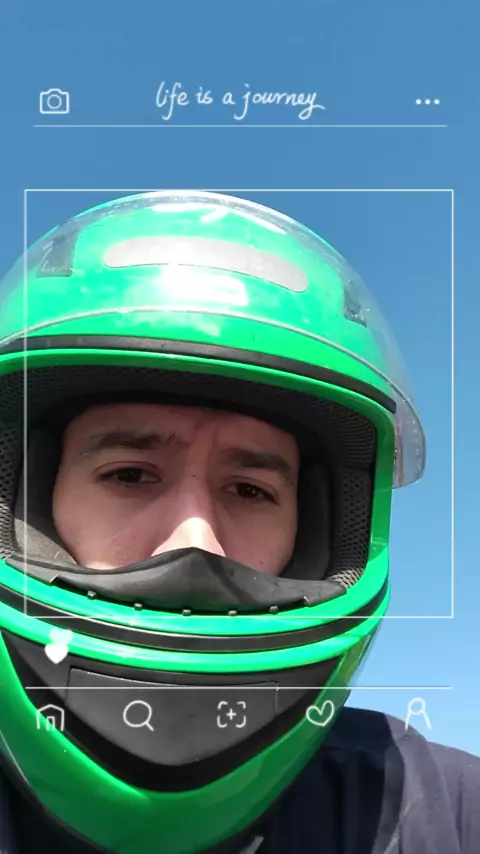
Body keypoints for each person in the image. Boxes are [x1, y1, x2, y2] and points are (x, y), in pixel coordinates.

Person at [0, 191, 477, 854]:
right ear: (28, 503)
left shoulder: (438, 811)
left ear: (316, 535)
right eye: (129, 475)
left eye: (250, 490)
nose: (195, 540)